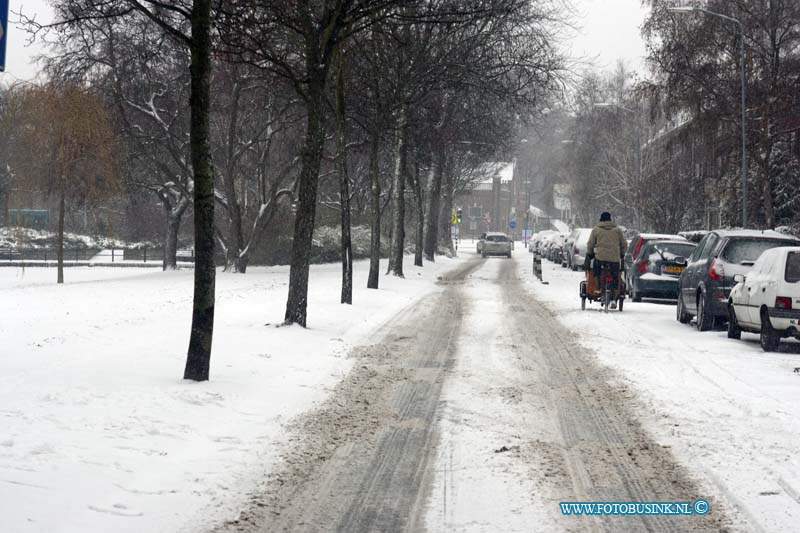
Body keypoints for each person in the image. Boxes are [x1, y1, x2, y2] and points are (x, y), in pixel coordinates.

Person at [586, 211, 627, 308]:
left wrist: (590, 253)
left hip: (600, 257)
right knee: (615, 274)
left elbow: (590, 244)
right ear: (610, 220)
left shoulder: (596, 229)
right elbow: (624, 244)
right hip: (614, 258)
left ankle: (597, 286)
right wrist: (621, 254)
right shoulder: (617, 230)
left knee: (597, 269)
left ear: (601, 219)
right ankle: (614, 297)